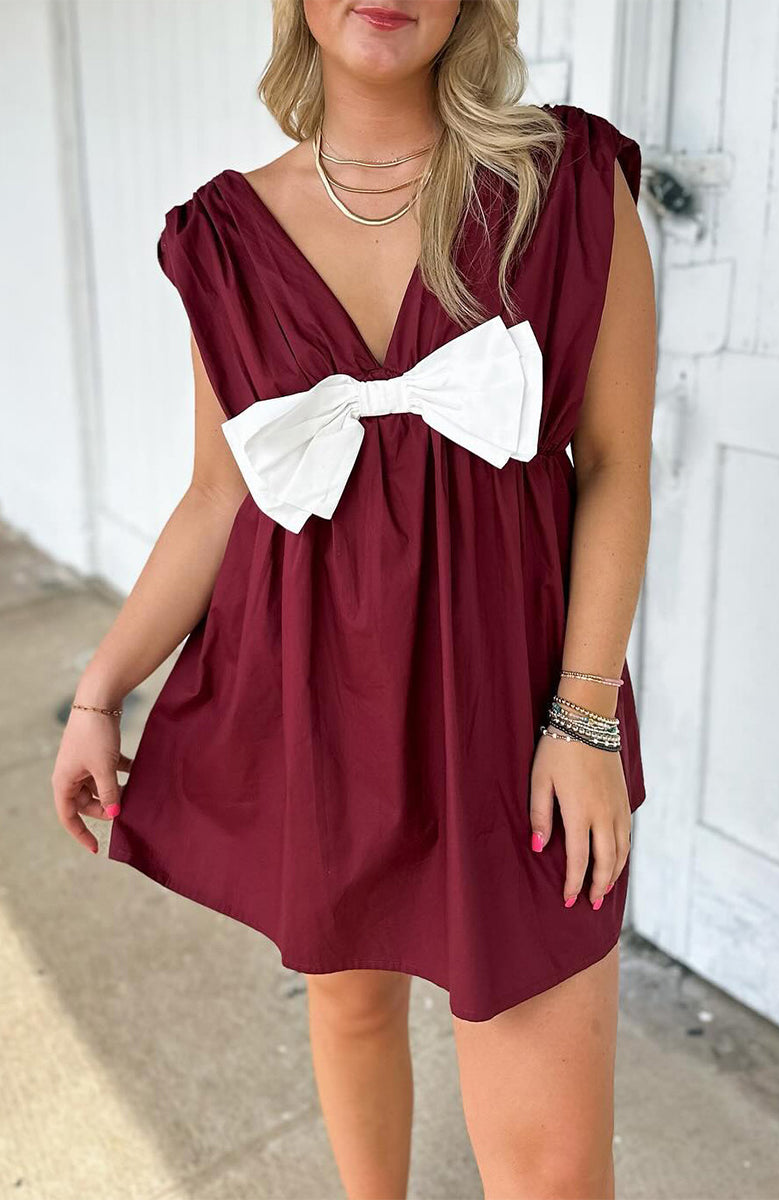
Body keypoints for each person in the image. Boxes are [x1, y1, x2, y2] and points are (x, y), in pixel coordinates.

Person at [51, 1, 657, 1195]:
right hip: (317, 706)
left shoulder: (568, 184)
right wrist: (99, 691)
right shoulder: (222, 237)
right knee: (351, 1007)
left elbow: (615, 465)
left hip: (517, 717)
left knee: (550, 1171)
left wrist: (583, 718)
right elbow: (218, 498)